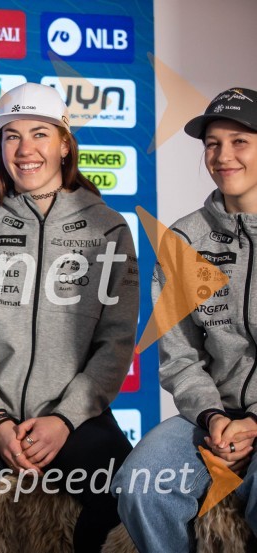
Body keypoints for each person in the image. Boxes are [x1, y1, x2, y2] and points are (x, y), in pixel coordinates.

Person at [0, 82, 140, 553]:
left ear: (64, 144)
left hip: (76, 419)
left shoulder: (109, 228)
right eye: (11, 136)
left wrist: (64, 418)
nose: (25, 149)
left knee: (128, 495)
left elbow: (116, 341)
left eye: (39, 133)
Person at [112, 87, 257, 552]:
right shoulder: (185, 238)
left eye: (240, 142)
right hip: (211, 415)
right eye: (213, 144)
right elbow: (179, 355)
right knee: (141, 484)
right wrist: (213, 416)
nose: (223, 156)